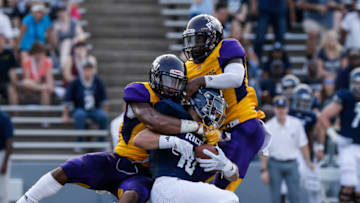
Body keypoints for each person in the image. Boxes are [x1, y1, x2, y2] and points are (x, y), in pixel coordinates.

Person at [17, 54, 216, 203]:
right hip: (119, 160)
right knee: (68, 169)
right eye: (167, 81)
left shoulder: (181, 106)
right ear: (155, 77)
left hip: (145, 173)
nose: (171, 88)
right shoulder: (140, 90)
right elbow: (152, 120)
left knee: (131, 195)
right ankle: (26, 200)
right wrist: (194, 126)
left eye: (176, 83)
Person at [183, 14, 266, 191]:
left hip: (242, 126)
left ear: (212, 38)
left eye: (199, 39)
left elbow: (235, 78)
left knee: (221, 191)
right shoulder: (189, 66)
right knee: (194, 183)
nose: (194, 45)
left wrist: (202, 81)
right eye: (192, 40)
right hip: (216, 133)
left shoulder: (227, 47)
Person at [133, 89, 239, 203]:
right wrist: (173, 141)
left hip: (185, 190)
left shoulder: (207, 135)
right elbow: (139, 139)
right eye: (213, 107)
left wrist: (227, 166)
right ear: (199, 100)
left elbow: (234, 176)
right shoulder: (178, 121)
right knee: (229, 199)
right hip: (168, 186)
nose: (215, 113)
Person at [317, 67, 360, 203]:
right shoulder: (345, 96)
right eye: (357, 83)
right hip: (348, 144)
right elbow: (324, 116)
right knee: (348, 183)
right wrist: (335, 136)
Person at [261, 96, 314, 203]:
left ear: (287, 109)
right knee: (275, 196)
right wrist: (263, 170)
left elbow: (303, 145)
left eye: (283, 108)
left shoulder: (296, 124)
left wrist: (308, 162)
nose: (281, 110)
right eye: (278, 108)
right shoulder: (268, 126)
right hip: (274, 164)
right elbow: (264, 150)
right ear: (275, 109)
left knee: (295, 195)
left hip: (292, 163)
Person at [62, 61, 108, 132]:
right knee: (80, 115)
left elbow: (104, 100)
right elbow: (67, 99)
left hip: (95, 109)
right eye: (85, 69)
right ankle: (80, 139)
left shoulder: (98, 82)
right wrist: (65, 115)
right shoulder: (76, 82)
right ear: (82, 70)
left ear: (93, 71)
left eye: (89, 70)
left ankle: (101, 139)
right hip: (80, 108)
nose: (87, 72)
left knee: (103, 117)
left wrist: (105, 112)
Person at [50, 3, 85, 69]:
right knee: (66, 42)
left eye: (63, 10)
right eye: (59, 11)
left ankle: (83, 70)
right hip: (60, 48)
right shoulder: (55, 23)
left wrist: (75, 40)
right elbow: (54, 44)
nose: (61, 13)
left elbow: (81, 35)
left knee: (80, 49)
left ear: (67, 11)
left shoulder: (73, 21)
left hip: (73, 47)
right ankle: (63, 66)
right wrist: (55, 32)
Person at [0, 33, 19, 105]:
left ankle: (15, 115)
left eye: (1, 40)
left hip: (6, 83)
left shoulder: (9, 54)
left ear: (4, 42)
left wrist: (14, 84)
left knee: (12, 90)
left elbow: (12, 71)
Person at [0, 111, 13, 203]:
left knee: (2, 189)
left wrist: (4, 163)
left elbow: (9, 141)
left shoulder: (4, 118)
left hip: (2, 154)